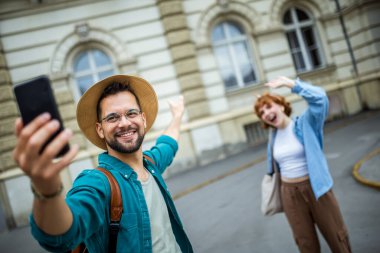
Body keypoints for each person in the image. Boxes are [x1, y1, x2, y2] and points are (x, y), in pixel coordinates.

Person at [12, 75, 193, 253]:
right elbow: (62, 237)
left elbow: (167, 144)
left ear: (143, 119)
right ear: (100, 129)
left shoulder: (150, 164)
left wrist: (177, 116)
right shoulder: (98, 183)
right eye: (113, 118)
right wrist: (46, 189)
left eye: (131, 113)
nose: (124, 123)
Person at [254, 76, 351, 253]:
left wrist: (291, 84)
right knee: (305, 245)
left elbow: (320, 99)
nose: (266, 113)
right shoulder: (273, 137)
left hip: (317, 189)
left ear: (281, 105)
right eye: (261, 112)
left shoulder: (305, 123)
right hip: (289, 194)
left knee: (338, 239)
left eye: (268, 107)